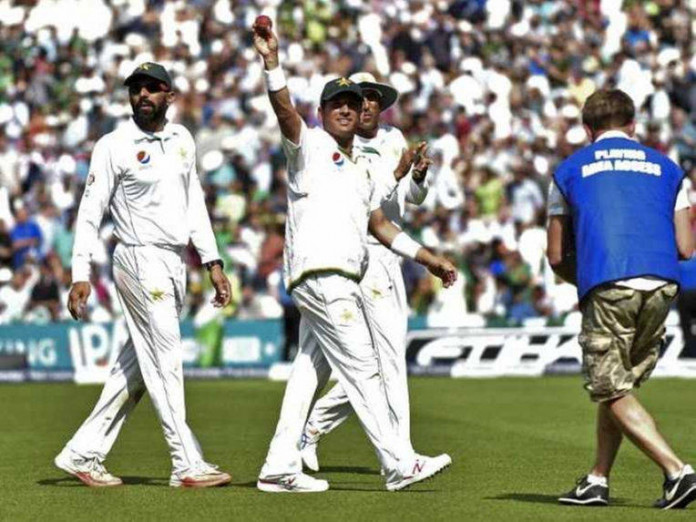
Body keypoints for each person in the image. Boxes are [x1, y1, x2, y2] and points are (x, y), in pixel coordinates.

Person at [252, 22, 455, 493]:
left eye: (352, 104)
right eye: (336, 105)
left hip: (335, 275)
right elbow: (284, 112)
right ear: (322, 113)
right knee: (365, 366)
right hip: (325, 275)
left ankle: (280, 464)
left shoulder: (363, 168)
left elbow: (381, 225)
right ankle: (398, 463)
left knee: (307, 370)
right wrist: (271, 63)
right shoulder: (309, 146)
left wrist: (429, 258)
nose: (346, 110)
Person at [54, 62, 233, 489]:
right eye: (136, 89)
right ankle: (185, 462)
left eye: (153, 89)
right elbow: (90, 212)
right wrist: (81, 272)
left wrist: (213, 261)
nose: (143, 96)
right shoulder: (114, 145)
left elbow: (195, 204)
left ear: (169, 95)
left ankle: (83, 451)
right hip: (137, 258)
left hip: (174, 261)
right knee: (167, 359)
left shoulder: (182, 139)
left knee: (135, 368)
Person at [547, 89, 696, 509]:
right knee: (617, 383)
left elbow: (556, 255)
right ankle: (597, 479)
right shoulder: (669, 169)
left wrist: (585, 278)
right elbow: (686, 247)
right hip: (663, 285)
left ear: (587, 130)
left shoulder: (568, 170)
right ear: (633, 126)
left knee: (609, 387)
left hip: (610, 282)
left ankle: (677, 472)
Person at [299, 72, 435, 472]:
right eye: (362, 98)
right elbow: (366, 201)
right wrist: (396, 174)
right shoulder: (337, 144)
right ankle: (397, 455)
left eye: (374, 98)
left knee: (386, 360)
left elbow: (411, 198)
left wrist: (419, 176)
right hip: (344, 252)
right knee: (340, 358)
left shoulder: (393, 139)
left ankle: (386, 447)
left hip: (382, 254)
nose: (369, 105)